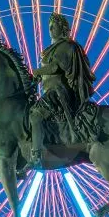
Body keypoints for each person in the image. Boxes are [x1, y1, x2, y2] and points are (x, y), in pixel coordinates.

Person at [27, 13, 96, 169]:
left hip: (60, 92)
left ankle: (36, 154)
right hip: (50, 91)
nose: (50, 29)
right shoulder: (53, 48)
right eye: (49, 27)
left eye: (54, 26)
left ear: (63, 28)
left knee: (35, 115)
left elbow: (55, 67)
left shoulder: (66, 46)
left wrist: (35, 72)